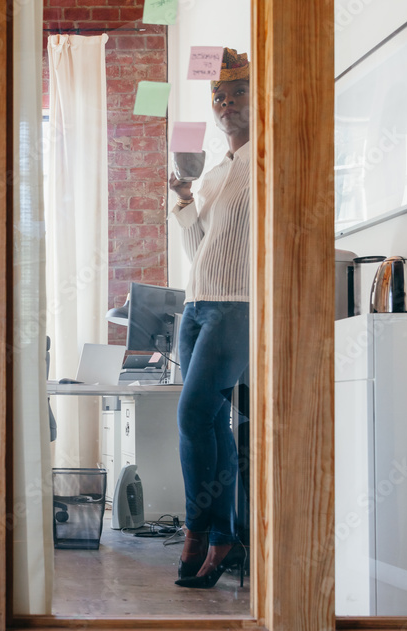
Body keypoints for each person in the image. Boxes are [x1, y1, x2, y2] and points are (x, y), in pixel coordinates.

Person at [167, 48, 251, 588]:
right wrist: (182, 198)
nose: (224, 103)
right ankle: (224, 536)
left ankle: (203, 532)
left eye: (236, 92)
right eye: (217, 95)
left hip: (235, 305)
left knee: (193, 416)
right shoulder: (219, 170)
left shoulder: (266, 161)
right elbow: (201, 248)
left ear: (258, 99)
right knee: (210, 423)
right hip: (196, 305)